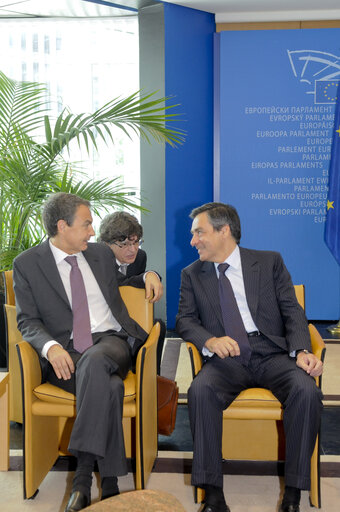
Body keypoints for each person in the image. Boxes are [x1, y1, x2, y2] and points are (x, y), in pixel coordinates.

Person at [13, 193, 163, 512]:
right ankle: (109, 483)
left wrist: (152, 275)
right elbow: (27, 320)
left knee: (96, 361)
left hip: (112, 342)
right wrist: (51, 347)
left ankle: (81, 478)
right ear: (62, 226)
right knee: (108, 386)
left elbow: (128, 281)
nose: (93, 232)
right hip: (65, 355)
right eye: (87, 224)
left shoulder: (100, 255)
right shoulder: (27, 264)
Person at [176, 202, 323, 512]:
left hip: (272, 353)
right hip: (227, 360)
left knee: (306, 390)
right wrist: (211, 341)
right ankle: (213, 495)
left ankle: (294, 494)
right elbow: (186, 321)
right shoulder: (192, 274)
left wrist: (301, 351)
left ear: (224, 230)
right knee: (200, 390)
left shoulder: (269, 262)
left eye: (199, 232)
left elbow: (292, 311)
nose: (193, 241)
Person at [99, 211, 166, 374]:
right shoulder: (99, 259)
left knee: (158, 326)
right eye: (125, 244)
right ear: (107, 244)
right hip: (104, 317)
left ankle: (151, 377)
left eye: (136, 242)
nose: (133, 249)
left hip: (128, 312)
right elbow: (120, 283)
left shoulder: (140, 257)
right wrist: (149, 275)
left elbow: (134, 291)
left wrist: (150, 275)